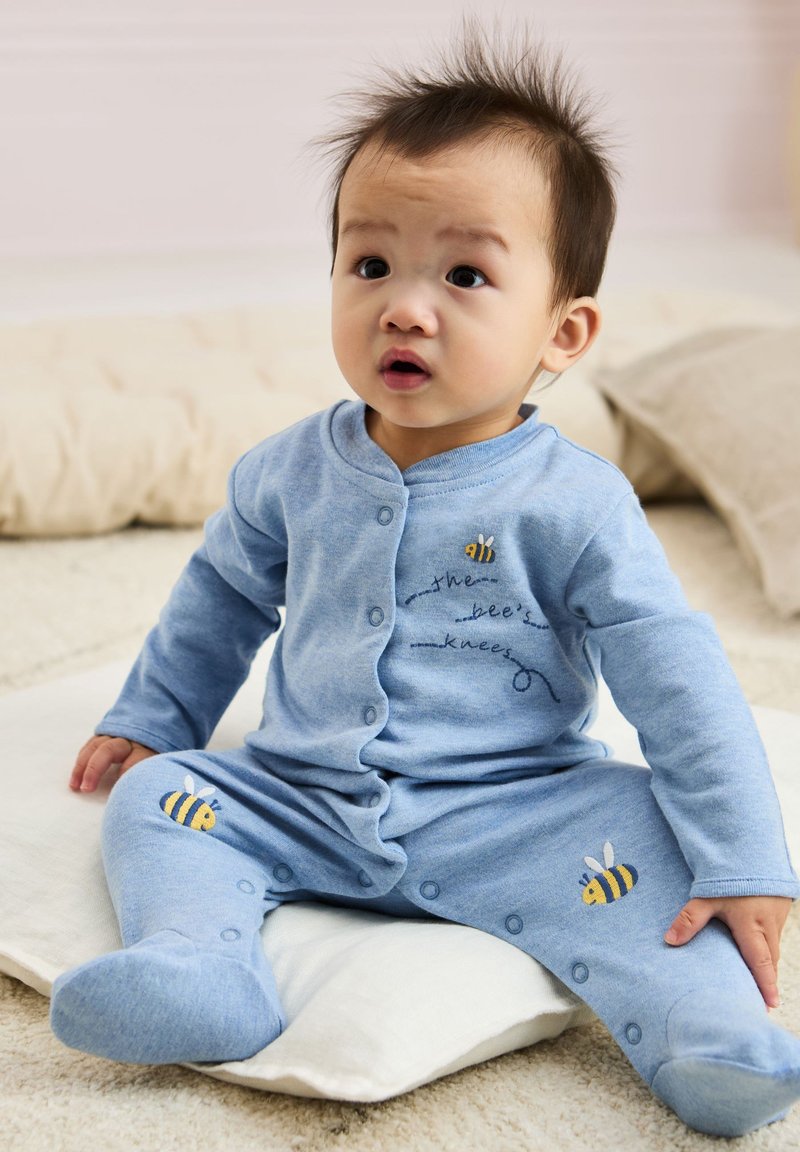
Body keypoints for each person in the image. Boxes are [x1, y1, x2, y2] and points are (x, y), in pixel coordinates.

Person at [50, 20, 800, 1137]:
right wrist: (155, 716)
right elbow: (220, 599)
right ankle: (201, 968)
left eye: (464, 274)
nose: (404, 306)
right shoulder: (288, 471)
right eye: (370, 266)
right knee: (161, 800)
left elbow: (676, 678)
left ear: (563, 332)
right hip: (302, 797)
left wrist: (745, 858)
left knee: (647, 835)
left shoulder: (575, 504)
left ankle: (708, 1034)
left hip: (521, 811)